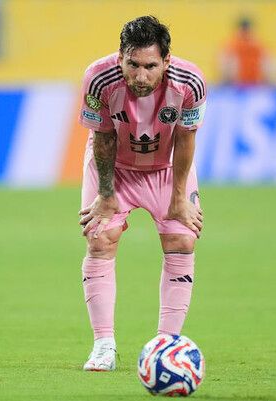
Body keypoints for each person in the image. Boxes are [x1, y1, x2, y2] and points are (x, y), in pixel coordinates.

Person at [77, 15, 206, 371]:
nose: (140, 76)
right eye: (132, 64)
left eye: (150, 66)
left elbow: (186, 138)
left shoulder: (190, 82)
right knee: (100, 238)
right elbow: (102, 137)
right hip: (114, 165)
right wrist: (106, 195)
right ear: (120, 57)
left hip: (167, 167)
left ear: (166, 61)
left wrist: (178, 198)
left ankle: (167, 346)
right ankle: (103, 345)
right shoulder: (99, 78)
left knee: (182, 239)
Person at [219, 16, 272, 85]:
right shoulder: (233, 45)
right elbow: (225, 64)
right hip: (238, 83)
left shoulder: (258, 45)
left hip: (255, 83)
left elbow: (267, 63)